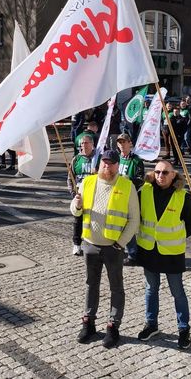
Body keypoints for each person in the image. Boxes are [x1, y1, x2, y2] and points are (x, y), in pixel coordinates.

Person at [71, 149, 140, 348]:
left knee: (116, 287)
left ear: (118, 165)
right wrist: (75, 205)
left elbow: (134, 219)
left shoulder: (127, 186)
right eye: (104, 162)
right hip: (90, 244)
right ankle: (88, 323)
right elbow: (76, 211)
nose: (106, 166)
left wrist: (121, 243)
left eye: (110, 163)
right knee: (90, 284)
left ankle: (113, 326)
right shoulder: (88, 182)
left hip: (113, 247)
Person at [136, 160, 191, 348]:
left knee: (177, 292)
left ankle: (183, 329)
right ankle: (151, 324)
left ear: (174, 175)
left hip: (172, 253)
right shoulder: (144, 191)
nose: (160, 176)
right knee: (150, 290)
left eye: (165, 172)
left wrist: (176, 236)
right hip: (149, 250)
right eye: (157, 172)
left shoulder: (183, 196)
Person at [115, 132, 145, 265]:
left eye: (124, 142)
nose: (122, 145)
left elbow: (141, 180)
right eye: (119, 142)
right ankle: (120, 248)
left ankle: (133, 254)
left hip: (131, 198)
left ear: (130, 143)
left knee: (130, 225)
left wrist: (129, 181)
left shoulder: (136, 160)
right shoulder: (116, 159)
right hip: (117, 197)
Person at [69, 134, 97, 256]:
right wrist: (73, 194)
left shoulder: (97, 159)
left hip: (95, 196)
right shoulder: (76, 159)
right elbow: (70, 178)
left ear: (92, 144)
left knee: (94, 220)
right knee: (77, 220)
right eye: (81, 144)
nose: (83, 146)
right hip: (80, 196)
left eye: (86, 143)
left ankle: (94, 243)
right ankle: (76, 245)